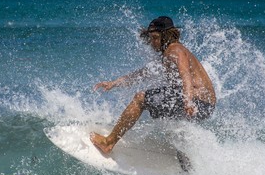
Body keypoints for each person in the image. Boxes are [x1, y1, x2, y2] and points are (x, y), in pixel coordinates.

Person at [90, 16, 216, 160]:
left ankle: (108, 142)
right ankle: (186, 166)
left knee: (140, 98)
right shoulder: (169, 54)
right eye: (150, 38)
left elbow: (185, 74)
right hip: (205, 105)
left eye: (155, 37)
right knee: (174, 128)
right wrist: (114, 83)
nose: (152, 42)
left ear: (166, 35)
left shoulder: (175, 50)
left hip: (196, 101)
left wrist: (188, 100)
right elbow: (143, 73)